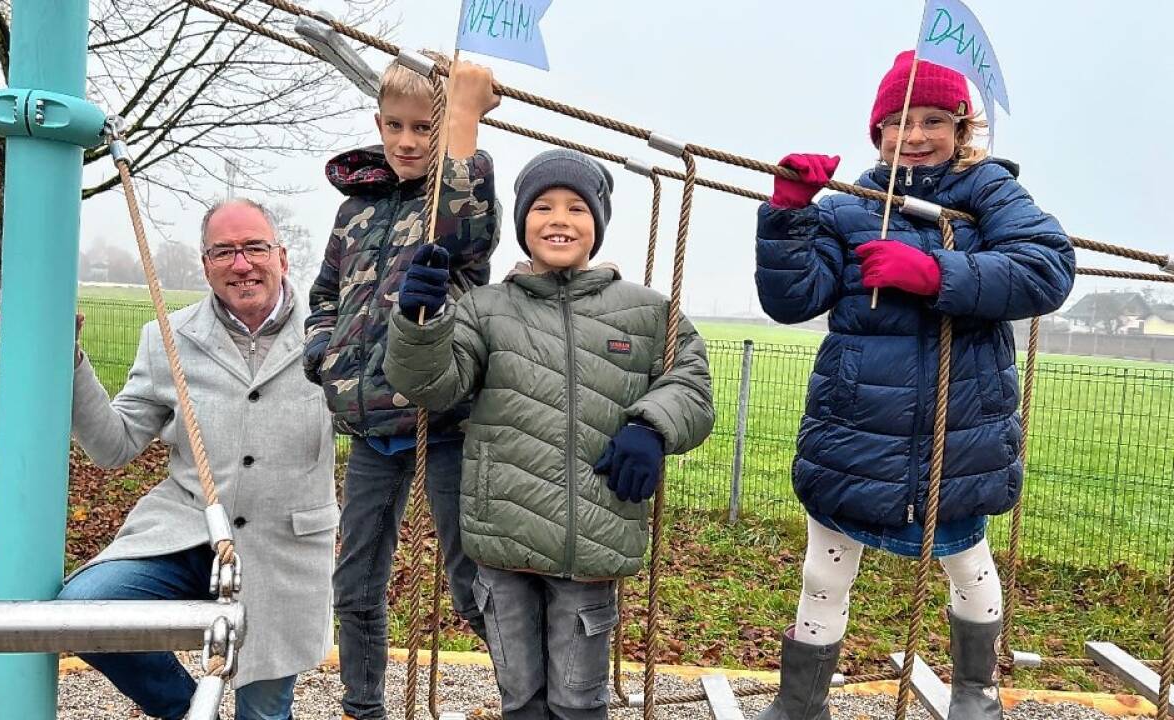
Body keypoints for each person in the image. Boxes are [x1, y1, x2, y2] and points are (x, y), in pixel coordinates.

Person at [752, 51, 1075, 720]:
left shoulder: (991, 194)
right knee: (824, 572)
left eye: (934, 119)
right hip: (856, 427)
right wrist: (790, 214)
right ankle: (799, 702)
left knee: (969, 565)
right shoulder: (850, 211)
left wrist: (936, 273)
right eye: (898, 121)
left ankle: (975, 692)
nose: (917, 134)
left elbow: (1046, 270)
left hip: (958, 436)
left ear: (962, 129)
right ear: (877, 134)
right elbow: (792, 299)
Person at [384, 148, 715, 720]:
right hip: (504, 533)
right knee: (520, 695)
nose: (559, 219)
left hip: (594, 533)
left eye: (576, 208)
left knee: (578, 696)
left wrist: (651, 425)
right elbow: (434, 386)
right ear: (521, 224)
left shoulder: (645, 312)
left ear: (598, 224)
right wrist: (421, 323)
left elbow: (692, 382)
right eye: (542, 207)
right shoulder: (486, 310)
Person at [59, 199, 337, 720]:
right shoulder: (169, 337)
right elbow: (113, 445)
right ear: (204, 262)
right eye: (224, 251)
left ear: (282, 255)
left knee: (263, 713)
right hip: (188, 534)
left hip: (286, 549)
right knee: (85, 611)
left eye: (255, 247)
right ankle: (191, 712)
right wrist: (68, 362)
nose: (242, 264)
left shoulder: (332, 334)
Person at [301, 56, 501, 720]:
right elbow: (325, 295)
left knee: (472, 582)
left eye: (425, 127)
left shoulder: (452, 195)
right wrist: (320, 350)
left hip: (442, 422)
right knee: (355, 584)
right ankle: (364, 708)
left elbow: (468, 235)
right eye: (396, 125)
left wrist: (464, 119)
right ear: (378, 124)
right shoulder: (356, 212)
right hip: (368, 426)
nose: (409, 141)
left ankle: (527, 695)